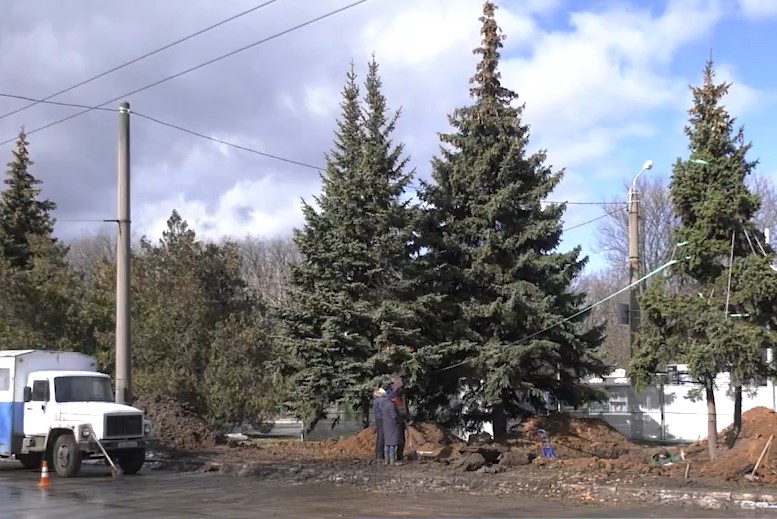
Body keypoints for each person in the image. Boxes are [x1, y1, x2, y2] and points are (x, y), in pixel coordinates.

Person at [380, 387, 402, 465]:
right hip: (392, 426)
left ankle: (387, 460)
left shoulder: (384, 405)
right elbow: (394, 416)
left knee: (387, 444)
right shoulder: (391, 405)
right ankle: (392, 461)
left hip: (386, 425)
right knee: (392, 444)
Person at [391, 380, 409, 461]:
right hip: (395, 422)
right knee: (395, 440)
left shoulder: (403, 397)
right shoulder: (393, 398)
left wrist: (406, 416)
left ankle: (400, 455)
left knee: (401, 439)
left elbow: (405, 408)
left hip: (401, 421)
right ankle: (393, 456)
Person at [371, 386, 387, 461]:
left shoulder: (376, 400)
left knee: (380, 436)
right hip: (382, 419)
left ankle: (379, 453)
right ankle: (380, 454)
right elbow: (384, 410)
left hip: (378, 419)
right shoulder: (381, 400)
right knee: (382, 436)